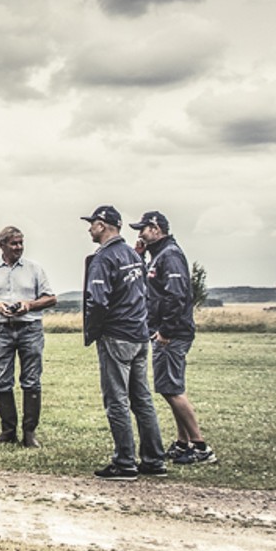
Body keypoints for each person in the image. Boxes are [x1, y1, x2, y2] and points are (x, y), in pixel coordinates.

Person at [81, 204, 166, 481]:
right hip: (139, 334)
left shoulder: (103, 258)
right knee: (141, 399)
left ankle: (125, 461)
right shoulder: (132, 253)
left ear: (103, 225)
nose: (90, 228)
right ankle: (153, 459)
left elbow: (97, 300)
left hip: (116, 335)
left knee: (116, 399)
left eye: (92, 223)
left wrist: (93, 331)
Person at [135, 211, 215, 465]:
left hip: (171, 333)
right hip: (167, 330)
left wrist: (166, 331)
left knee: (171, 389)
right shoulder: (159, 254)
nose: (140, 234)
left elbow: (176, 295)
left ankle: (201, 447)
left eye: (143, 229)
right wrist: (139, 255)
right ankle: (183, 443)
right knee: (172, 386)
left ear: (156, 228)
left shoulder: (169, 255)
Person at [0, 226, 56, 446]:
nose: (18, 247)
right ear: (2, 245)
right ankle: (7, 432)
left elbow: (51, 298)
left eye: (20, 242)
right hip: (1, 329)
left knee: (31, 380)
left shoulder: (34, 269)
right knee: (2, 380)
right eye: (13, 243)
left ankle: (29, 433)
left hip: (30, 328)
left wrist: (29, 305)